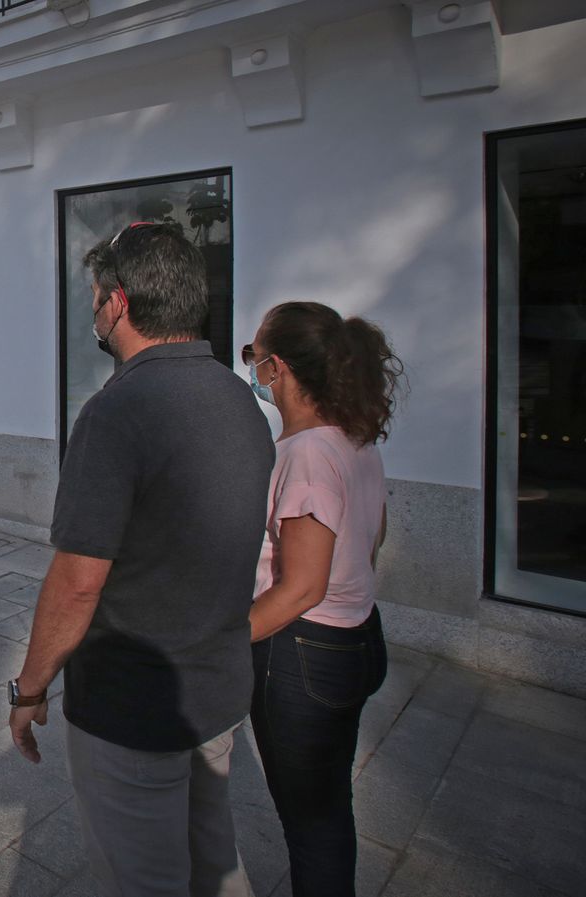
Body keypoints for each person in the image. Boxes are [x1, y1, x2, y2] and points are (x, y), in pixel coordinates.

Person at [7, 222, 273, 897]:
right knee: (216, 861)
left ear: (118, 303)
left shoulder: (117, 411)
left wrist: (31, 688)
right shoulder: (240, 399)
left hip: (133, 707)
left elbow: (76, 583)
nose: (94, 312)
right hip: (215, 692)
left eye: (96, 299)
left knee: (144, 879)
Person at [245, 302, 402, 897]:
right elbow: (373, 535)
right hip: (357, 638)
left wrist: (216, 641)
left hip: (306, 654)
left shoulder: (307, 454)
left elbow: (303, 586)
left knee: (313, 827)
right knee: (331, 807)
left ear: (277, 366)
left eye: (253, 357)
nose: (253, 371)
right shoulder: (354, 440)